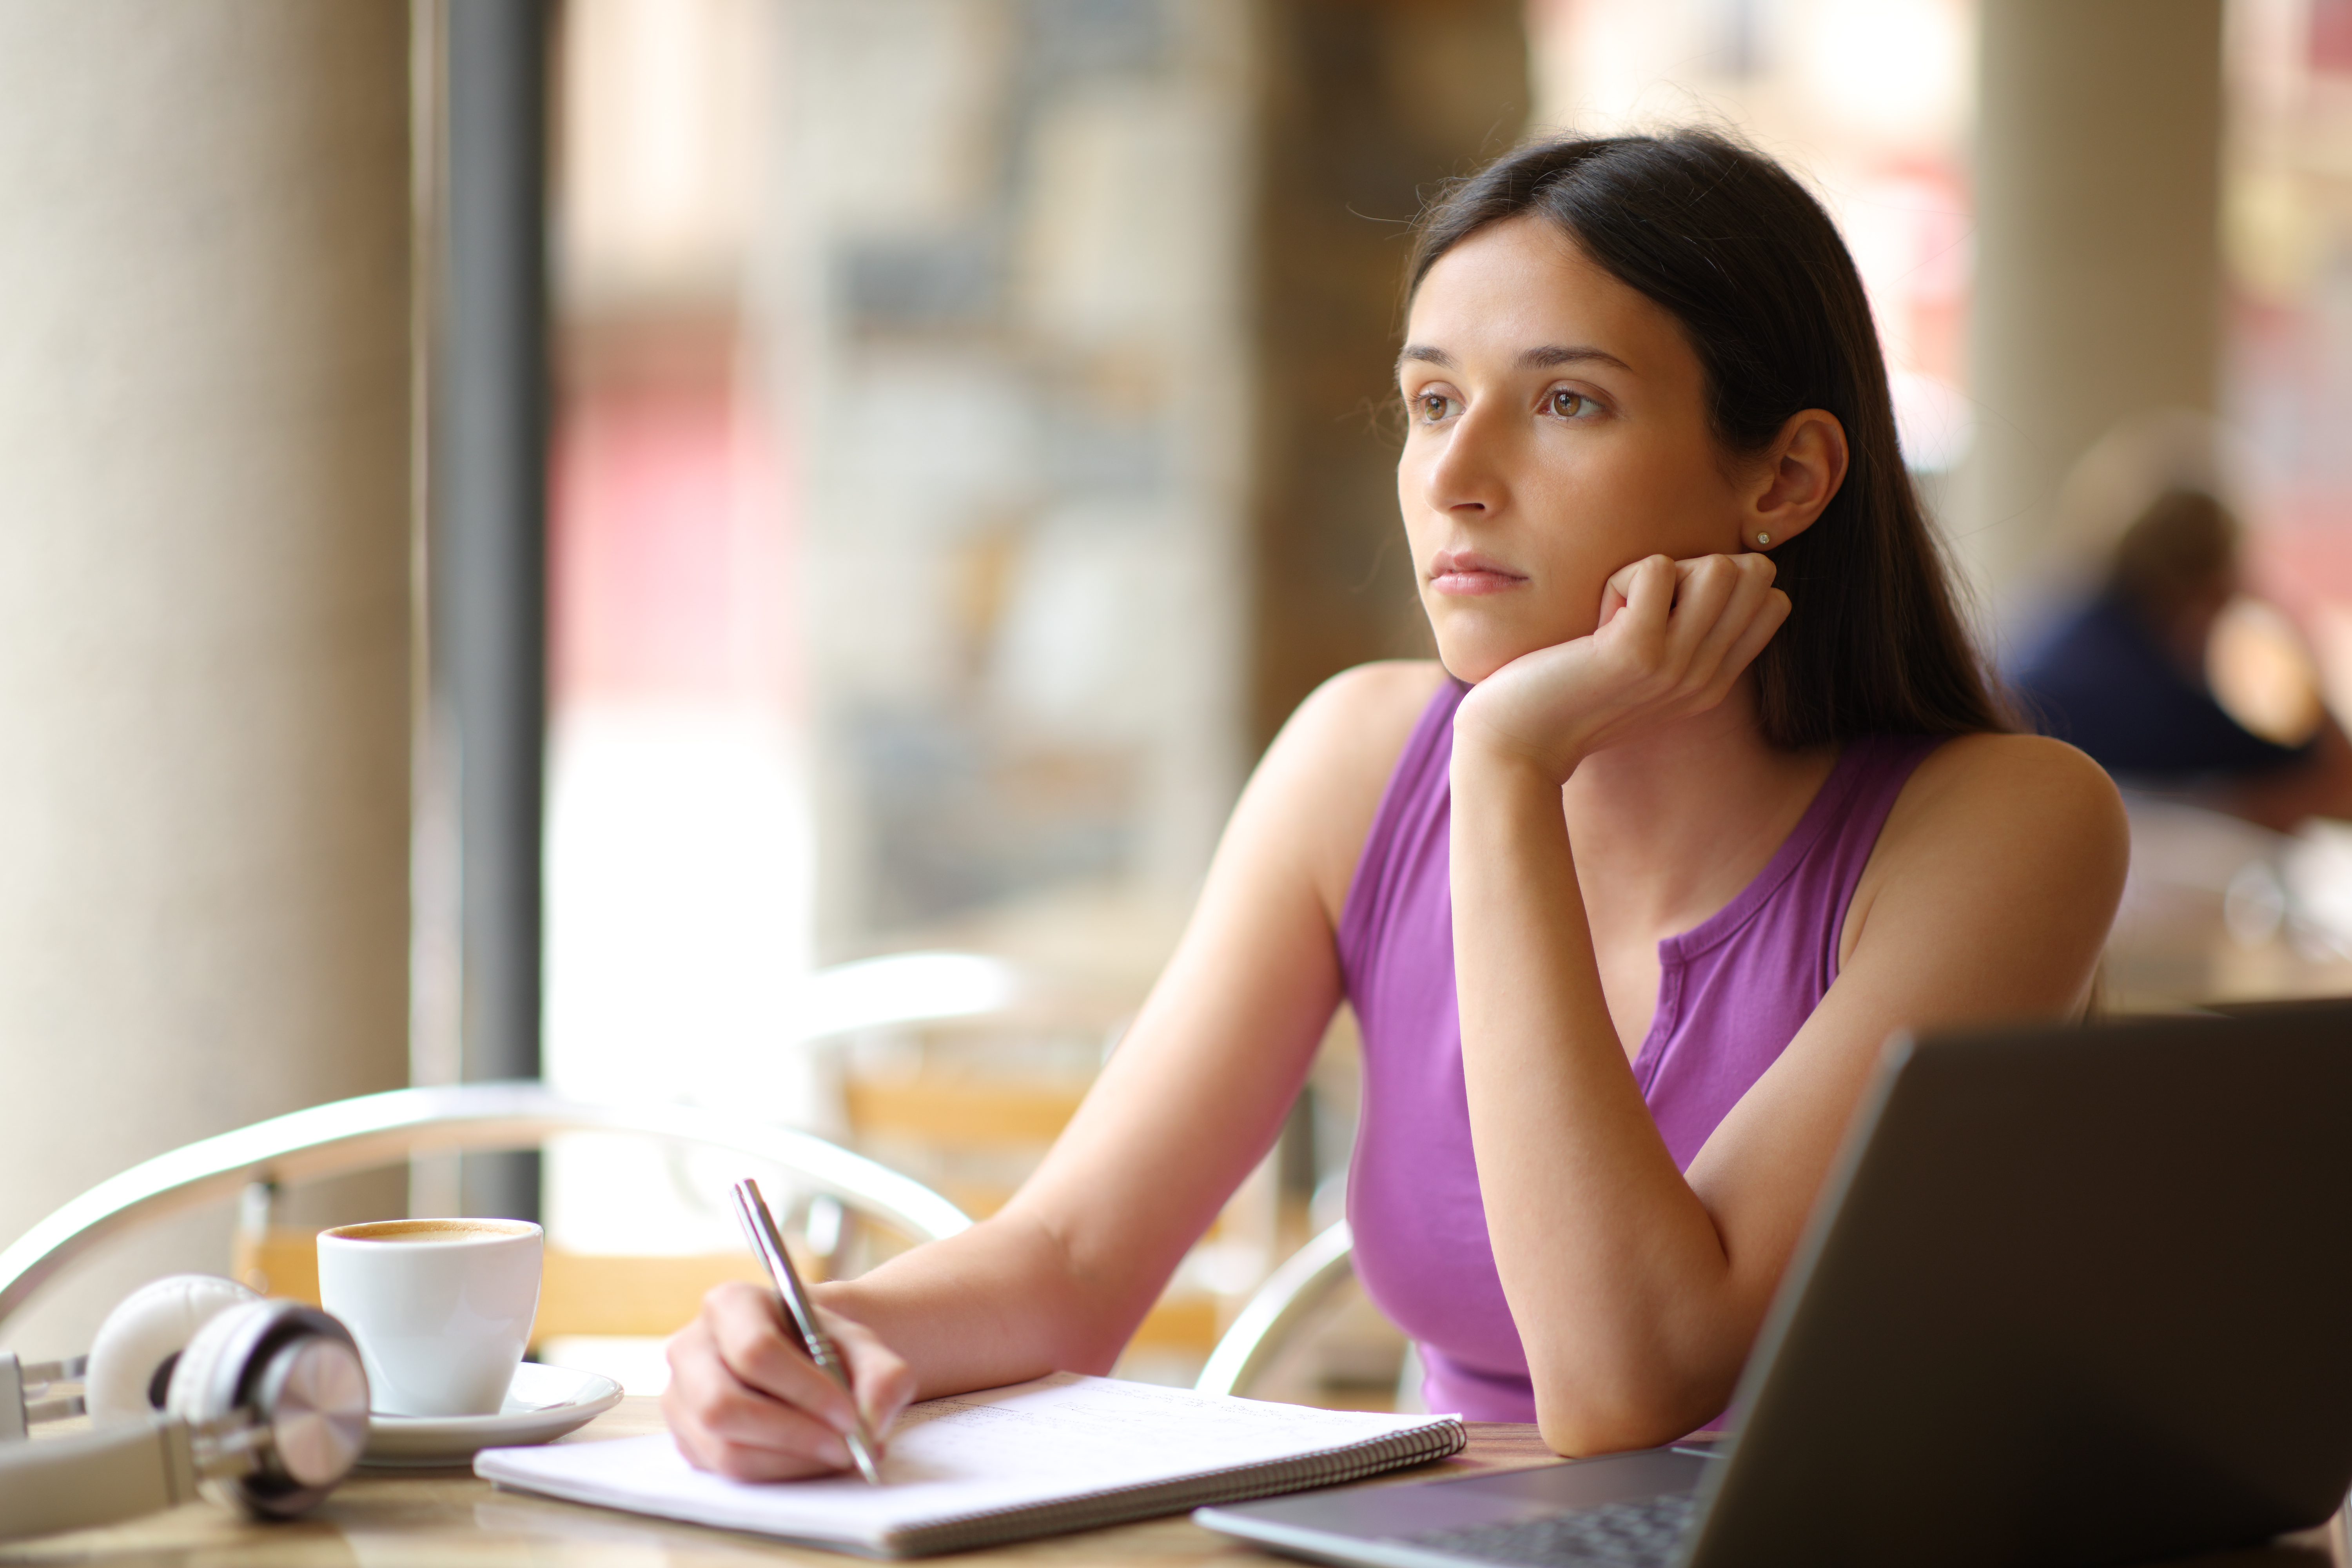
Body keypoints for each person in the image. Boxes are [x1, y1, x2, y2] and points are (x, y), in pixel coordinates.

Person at [664, 130, 2127, 1472]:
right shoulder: (1354, 756)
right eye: (1432, 400)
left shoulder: (2003, 824)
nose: (1457, 476)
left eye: (1565, 401)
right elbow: (1074, 1249)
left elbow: (1628, 1383)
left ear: (1788, 476)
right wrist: (822, 1332)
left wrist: (1502, 766)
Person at [2013, 485, 2352, 832]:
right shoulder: (2145, 696)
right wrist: (2293, 632)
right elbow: (2339, 781)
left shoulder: (2071, 635)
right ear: (2216, 580)